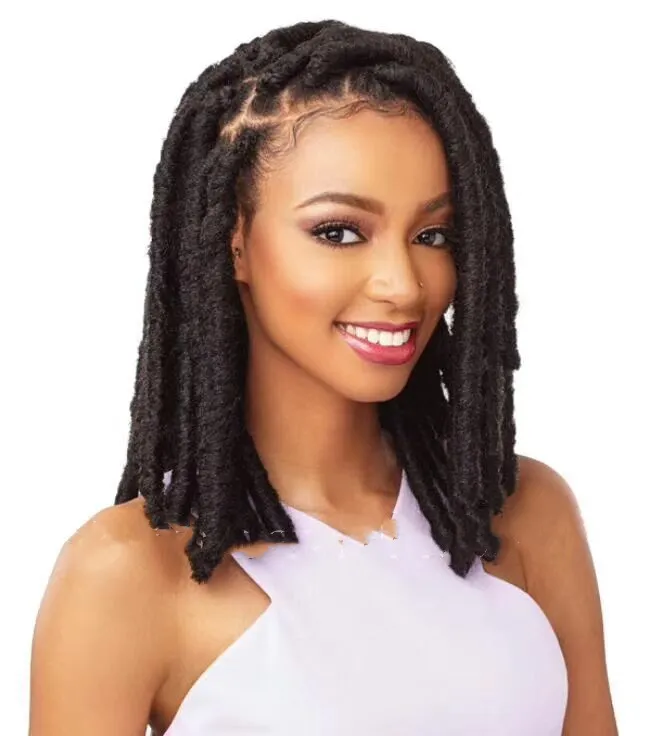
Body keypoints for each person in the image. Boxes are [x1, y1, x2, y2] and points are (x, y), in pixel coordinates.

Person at [29, 18, 617, 736]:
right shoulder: (127, 575)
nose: (403, 284)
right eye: (339, 232)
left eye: (432, 235)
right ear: (232, 240)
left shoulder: (523, 516)